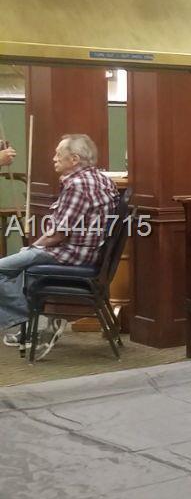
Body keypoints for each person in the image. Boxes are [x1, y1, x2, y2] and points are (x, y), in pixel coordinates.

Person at [0, 134, 119, 358]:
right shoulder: (100, 178)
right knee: (22, 269)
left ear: (74, 159)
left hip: (69, 254)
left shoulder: (77, 185)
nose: (53, 158)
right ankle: (33, 326)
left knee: (4, 268)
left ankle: (29, 323)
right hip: (87, 253)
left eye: (58, 154)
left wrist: (32, 248)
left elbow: (58, 234)